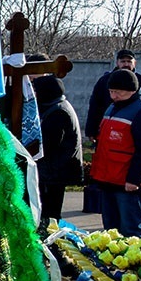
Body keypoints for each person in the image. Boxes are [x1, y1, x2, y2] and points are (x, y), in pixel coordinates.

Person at [89, 69, 141, 238]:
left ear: (132, 90)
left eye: (118, 92)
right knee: (111, 231)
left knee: (130, 230)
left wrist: (134, 179)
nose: (113, 96)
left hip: (127, 182)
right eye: (111, 91)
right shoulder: (113, 107)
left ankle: (134, 262)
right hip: (108, 178)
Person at [31, 75, 83, 222]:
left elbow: (49, 144)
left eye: (36, 90)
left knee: (49, 215)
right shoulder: (55, 106)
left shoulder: (58, 112)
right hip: (54, 170)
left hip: (54, 172)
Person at [85, 49, 141, 143]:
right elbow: (95, 106)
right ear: (117, 62)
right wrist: (91, 130)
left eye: (129, 61)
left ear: (135, 63)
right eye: (123, 61)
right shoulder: (104, 81)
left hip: (132, 130)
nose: (126, 64)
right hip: (106, 127)